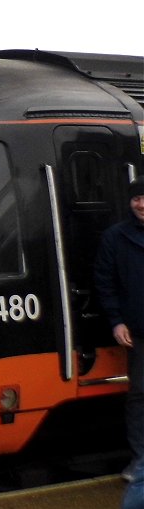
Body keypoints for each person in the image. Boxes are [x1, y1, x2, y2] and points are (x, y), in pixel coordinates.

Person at [95, 177, 144, 482]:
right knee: (139, 396)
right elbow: (104, 280)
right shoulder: (116, 237)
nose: (141, 204)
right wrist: (116, 320)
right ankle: (141, 460)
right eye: (137, 198)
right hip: (138, 331)